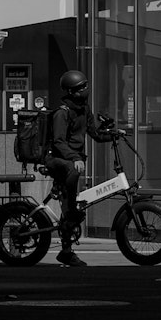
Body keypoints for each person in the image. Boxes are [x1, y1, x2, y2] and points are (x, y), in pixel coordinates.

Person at [46, 69, 113, 267]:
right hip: (57, 159)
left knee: (73, 175)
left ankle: (69, 211)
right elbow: (58, 142)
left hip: (71, 161)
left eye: (86, 86)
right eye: (81, 88)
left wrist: (114, 133)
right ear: (71, 91)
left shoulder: (84, 109)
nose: (86, 90)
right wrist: (75, 157)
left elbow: (96, 134)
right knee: (71, 192)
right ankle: (66, 247)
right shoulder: (62, 112)